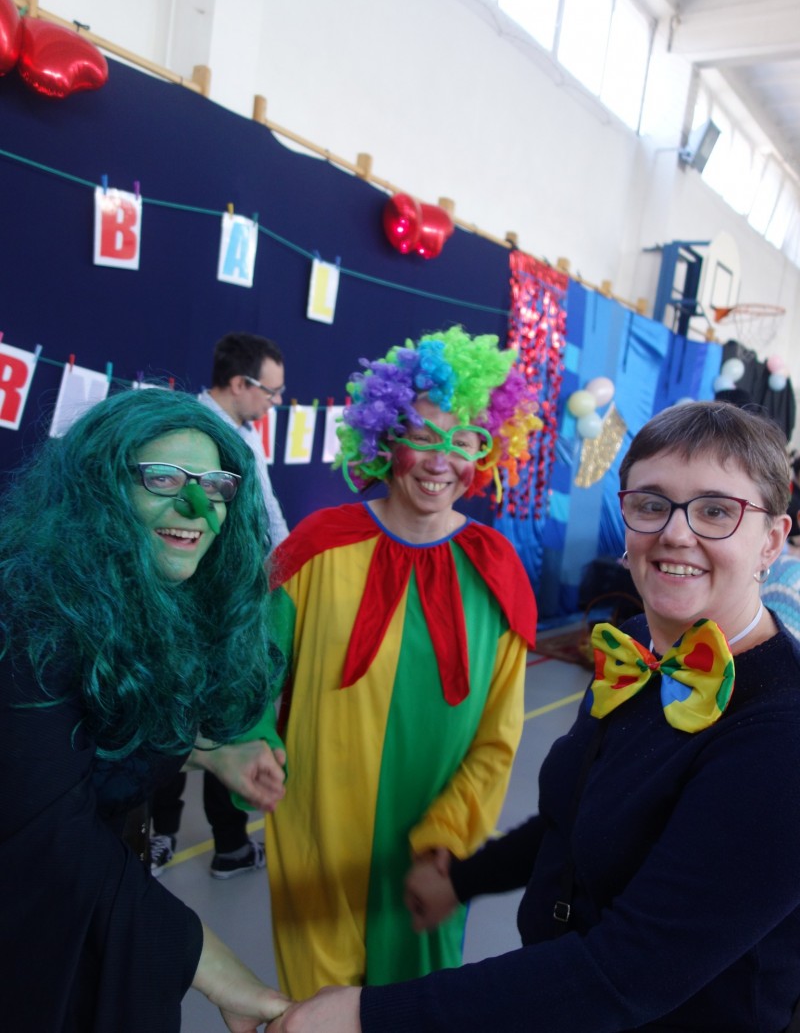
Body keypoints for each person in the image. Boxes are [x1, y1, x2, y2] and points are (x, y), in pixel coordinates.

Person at [267, 399, 800, 1032]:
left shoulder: (781, 735)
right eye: (651, 503)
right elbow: (574, 817)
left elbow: (625, 974)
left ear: (772, 539)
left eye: (715, 510)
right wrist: (463, 878)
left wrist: (368, 1014)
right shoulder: (637, 646)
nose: (676, 534)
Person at [260, 325, 541, 1000]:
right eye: (422, 435)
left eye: (463, 439)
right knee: (316, 1012)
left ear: (486, 451)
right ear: (386, 437)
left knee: (415, 1013)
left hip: (428, 862)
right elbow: (250, 678)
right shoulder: (318, 547)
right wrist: (249, 747)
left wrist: (448, 838)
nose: (441, 460)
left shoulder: (497, 572)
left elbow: (498, 738)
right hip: (316, 842)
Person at [0, 387, 290, 1032]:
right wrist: (221, 974)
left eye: (215, 486)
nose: (196, 507)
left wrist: (212, 753)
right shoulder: (26, 622)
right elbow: (52, 836)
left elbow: (97, 730)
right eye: (163, 478)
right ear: (98, 487)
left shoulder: (151, 598)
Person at [151, 330, 289, 878]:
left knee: (226, 715)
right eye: (271, 392)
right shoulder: (185, 430)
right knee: (168, 712)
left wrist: (287, 568)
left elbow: (268, 515)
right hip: (184, 604)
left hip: (234, 604)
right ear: (239, 383)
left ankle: (230, 844)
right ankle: (158, 834)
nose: (275, 402)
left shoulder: (246, 435)